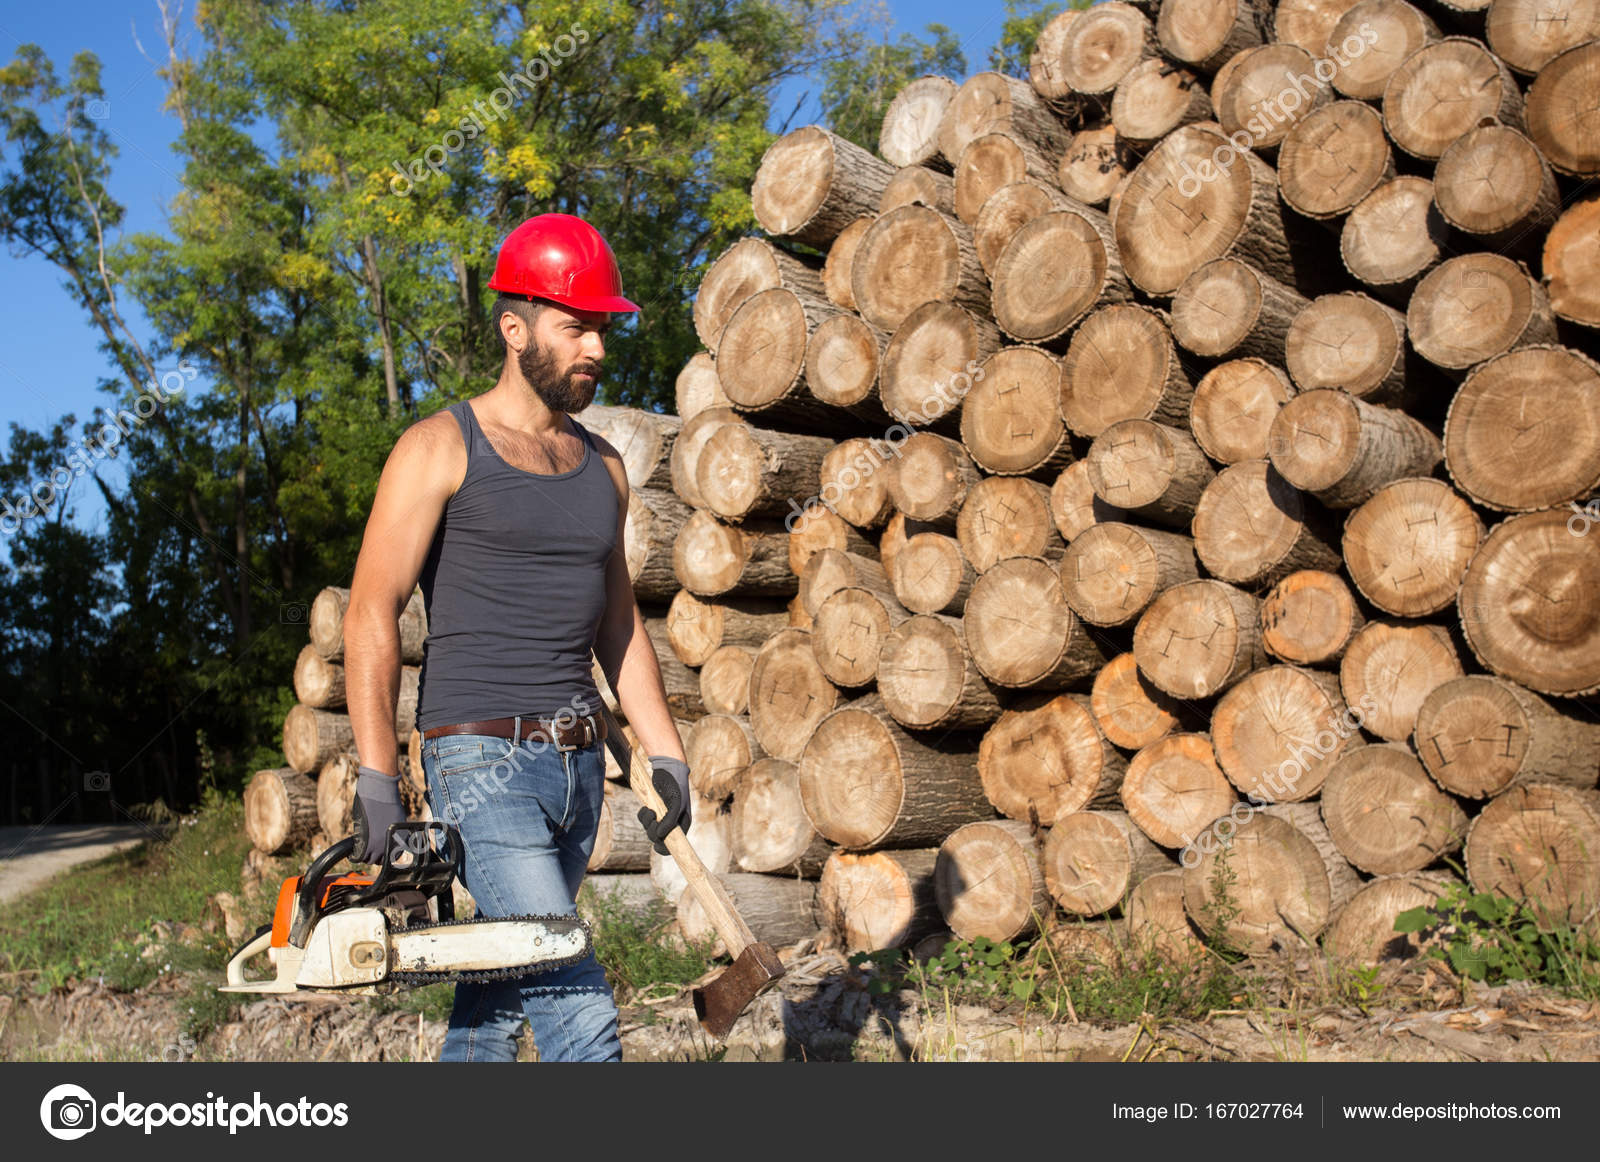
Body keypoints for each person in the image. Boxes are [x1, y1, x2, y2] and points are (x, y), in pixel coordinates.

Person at [342, 213, 692, 1062]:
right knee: (577, 1007)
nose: (597, 349)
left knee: (495, 1007)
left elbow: (618, 624)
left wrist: (667, 750)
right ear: (514, 327)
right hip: (478, 765)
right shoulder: (438, 448)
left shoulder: (605, 466)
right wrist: (379, 780)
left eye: (602, 328)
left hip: (577, 771)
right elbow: (370, 611)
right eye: (576, 326)